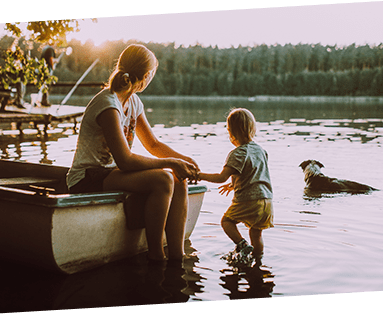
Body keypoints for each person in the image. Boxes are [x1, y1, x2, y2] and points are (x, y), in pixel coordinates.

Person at [66, 44, 199, 262]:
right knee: (164, 179)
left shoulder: (133, 102)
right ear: (147, 76)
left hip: (111, 174)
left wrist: (183, 161)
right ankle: (156, 255)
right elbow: (126, 161)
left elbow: (153, 144)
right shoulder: (108, 104)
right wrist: (171, 163)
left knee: (178, 178)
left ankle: (177, 256)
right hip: (86, 178)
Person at [198, 108, 274, 266]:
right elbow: (253, 174)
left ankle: (242, 244)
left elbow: (220, 177)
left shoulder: (238, 153)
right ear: (253, 129)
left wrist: (199, 175)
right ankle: (257, 262)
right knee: (256, 233)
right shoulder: (261, 151)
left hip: (248, 200)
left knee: (227, 221)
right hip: (266, 201)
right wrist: (233, 185)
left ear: (231, 132)